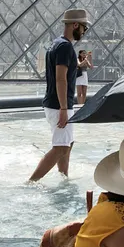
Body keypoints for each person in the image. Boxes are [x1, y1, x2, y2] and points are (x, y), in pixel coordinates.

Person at [30, 9, 90, 182]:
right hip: (59, 104)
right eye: (84, 28)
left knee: (67, 143)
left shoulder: (57, 44)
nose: (84, 32)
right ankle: (31, 182)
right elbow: (60, 78)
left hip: (57, 102)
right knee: (61, 147)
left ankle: (64, 177)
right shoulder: (64, 47)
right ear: (75, 25)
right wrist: (63, 108)